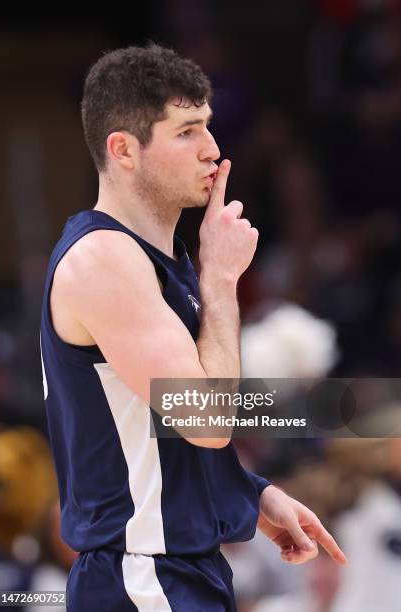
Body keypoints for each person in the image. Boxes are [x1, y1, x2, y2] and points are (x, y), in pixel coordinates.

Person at [40, 43, 346, 611]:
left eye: (207, 126)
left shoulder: (150, 260)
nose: (212, 150)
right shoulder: (102, 258)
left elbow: (145, 423)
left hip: (173, 571)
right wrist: (222, 277)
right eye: (186, 132)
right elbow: (205, 418)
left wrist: (248, 493)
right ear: (123, 149)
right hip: (143, 576)